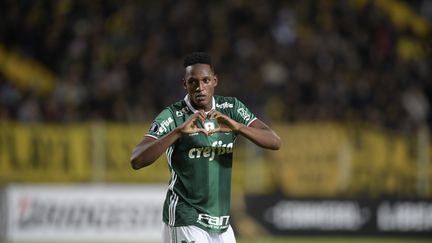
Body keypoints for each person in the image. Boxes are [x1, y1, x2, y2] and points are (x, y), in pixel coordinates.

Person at [130, 52, 281, 243]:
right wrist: (177, 132)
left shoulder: (231, 108)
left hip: (221, 223)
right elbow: (137, 159)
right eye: (193, 82)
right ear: (185, 84)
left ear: (215, 81)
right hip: (186, 218)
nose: (200, 87)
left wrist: (239, 127)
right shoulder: (173, 115)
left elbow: (274, 141)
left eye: (206, 80)